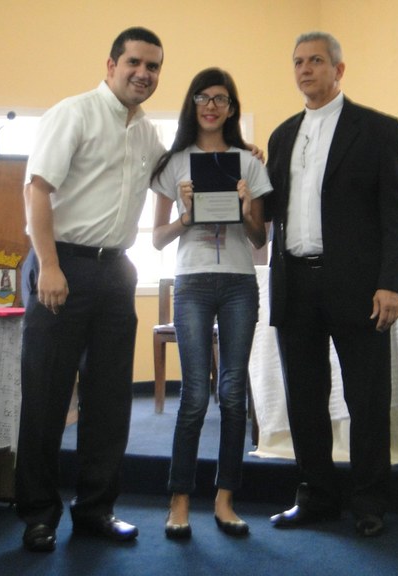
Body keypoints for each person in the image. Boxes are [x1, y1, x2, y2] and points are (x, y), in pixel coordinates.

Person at [15, 27, 165, 553]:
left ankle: (96, 509)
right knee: (47, 397)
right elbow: (37, 191)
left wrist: (237, 156)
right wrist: (50, 266)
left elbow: (179, 174)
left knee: (109, 402)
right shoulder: (73, 113)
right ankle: (38, 514)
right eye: (134, 62)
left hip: (116, 272)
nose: (143, 73)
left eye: (152, 66)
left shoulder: (147, 133)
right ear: (111, 65)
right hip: (62, 267)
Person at [264, 31, 398, 537]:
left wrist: (391, 283)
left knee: (366, 400)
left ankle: (369, 502)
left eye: (316, 61)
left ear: (339, 69)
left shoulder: (377, 129)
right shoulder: (283, 136)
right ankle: (317, 497)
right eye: (298, 62)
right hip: (295, 284)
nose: (305, 70)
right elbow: (271, 208)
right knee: (305, 399)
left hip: (359, 287)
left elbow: (397, 216)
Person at [151, 68, 271, 540]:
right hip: (193, 283)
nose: (211, 106)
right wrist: (185, 216)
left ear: (232, 108)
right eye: (203, 97)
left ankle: (225, 498)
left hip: (240, 282)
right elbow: (158, 239)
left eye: (221, 98)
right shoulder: (174, 163)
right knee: (196, 394)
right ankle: (179, 499)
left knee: (234, 392)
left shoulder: (249, 162)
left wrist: (245, 210)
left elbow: (259, 239)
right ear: (192, 103)